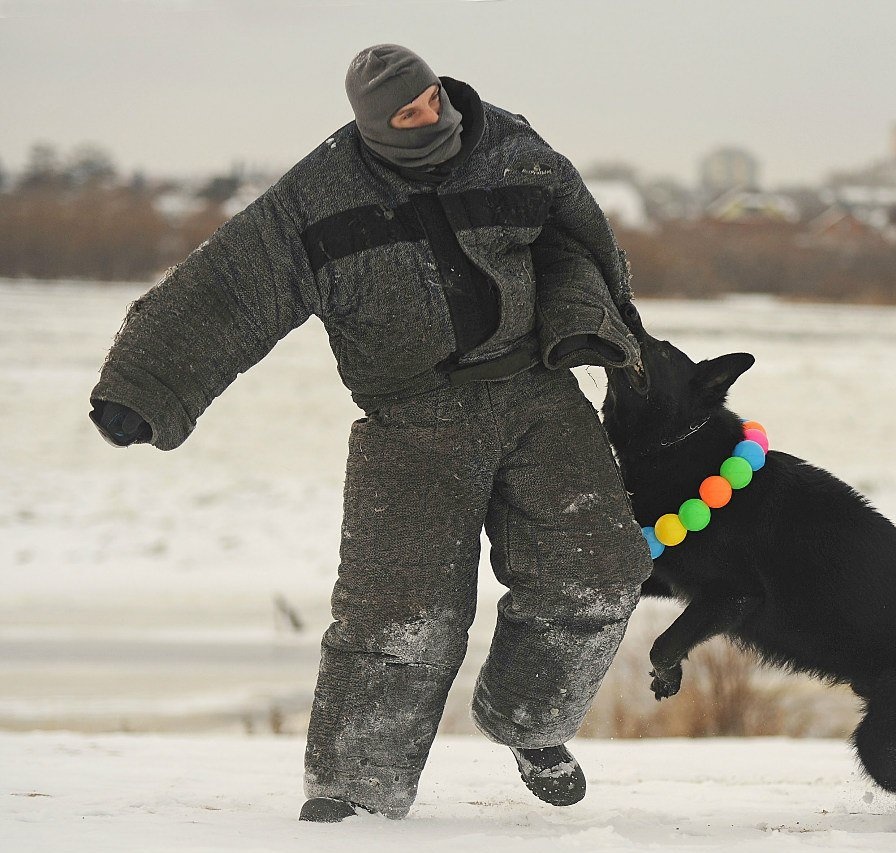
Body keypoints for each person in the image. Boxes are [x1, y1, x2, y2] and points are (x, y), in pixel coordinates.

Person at [88, 44, 652, 822]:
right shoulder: (317, 198)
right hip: (409, 420)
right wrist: (144, 386)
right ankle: (353, 785)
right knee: (400, 614)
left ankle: (531, 723)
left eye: (431, 100)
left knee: (603, 568)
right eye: (407, 113)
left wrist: (602, 329)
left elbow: (579, 241)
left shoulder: (514, 151)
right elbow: (226, 287)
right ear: (370, 123)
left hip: (535, 392)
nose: (430, 117)